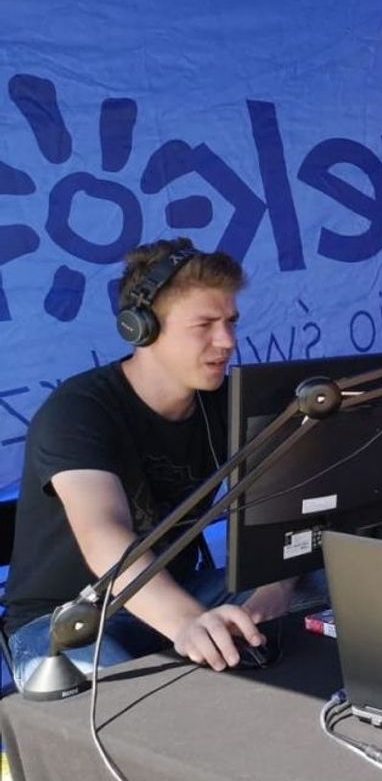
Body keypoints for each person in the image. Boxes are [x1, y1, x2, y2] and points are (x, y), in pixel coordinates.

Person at [4, 238, 294, 686]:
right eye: (205, 325)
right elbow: (104, 533)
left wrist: (274, 590)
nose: (227, 341)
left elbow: (281, 507)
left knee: (324, 586)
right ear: (141, 328)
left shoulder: (226, 402)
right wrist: (187, 622)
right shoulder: (78, 410)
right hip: (66, 621)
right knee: (123, 702)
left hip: (179, 594)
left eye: (231, 322)